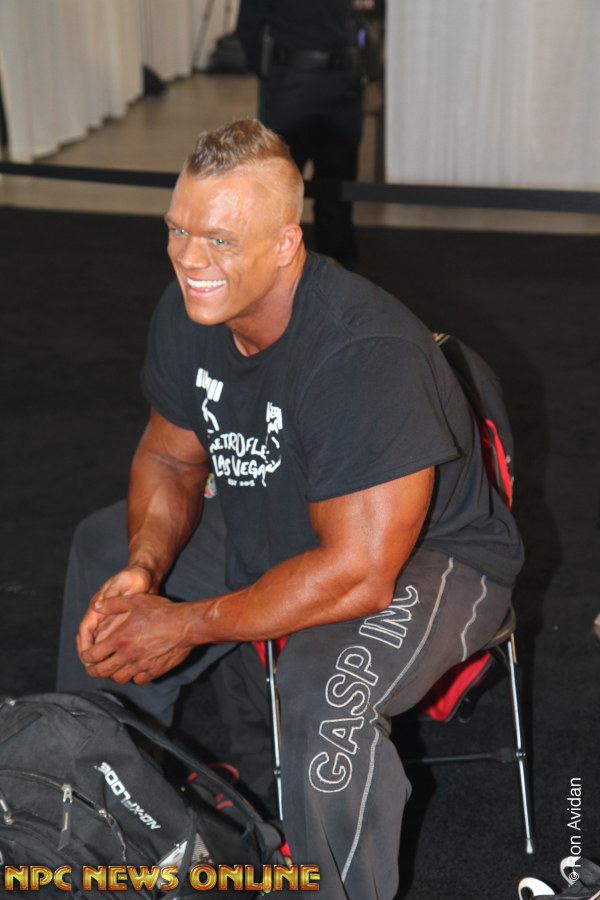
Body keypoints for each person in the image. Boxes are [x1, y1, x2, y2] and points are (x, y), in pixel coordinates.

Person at [57, 119, 524, 899]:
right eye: (178, 229)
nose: (189, 259)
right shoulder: (191, 311)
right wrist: (145, 567)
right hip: (278, 513)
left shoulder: (363, 351)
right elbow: (171, 457)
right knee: (104, 551)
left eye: (219, 239)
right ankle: (110, 827)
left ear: (285, 244)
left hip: (430, 558)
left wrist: (185, 624)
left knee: (323, 693)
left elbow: (358, 575)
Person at [236, 0, 365, 269]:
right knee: (279, 191)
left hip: (336, 83)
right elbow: (248, 27)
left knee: (336, 193)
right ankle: (272, 271)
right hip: (295, 83)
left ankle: (337, 275)